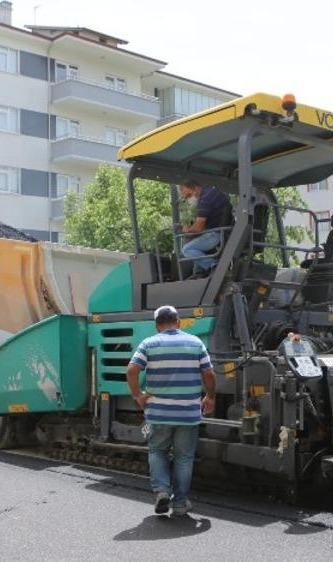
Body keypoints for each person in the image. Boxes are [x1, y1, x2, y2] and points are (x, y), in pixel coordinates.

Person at [126, 305, 217, 516]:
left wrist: (138, 395)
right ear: (179, 322)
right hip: (188, 413)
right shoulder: (195, 343)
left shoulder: (149, 343)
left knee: (157, 451)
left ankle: (161, 492)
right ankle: (180, 504)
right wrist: (210, 396)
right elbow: (209, 374)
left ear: (157, 326)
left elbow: (132, 370)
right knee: (184, 457)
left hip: (158, 413)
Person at [177, 180, 233, 279]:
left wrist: (186, 230)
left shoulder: (204, 200)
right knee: (197, 247)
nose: (189, 199)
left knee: (187, 249)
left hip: (216, 234)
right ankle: (198, 273)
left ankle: (214, 266)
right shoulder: (212, 192)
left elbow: (198, 228)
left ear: (195, 189)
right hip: (225, 231)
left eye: (188, 196)